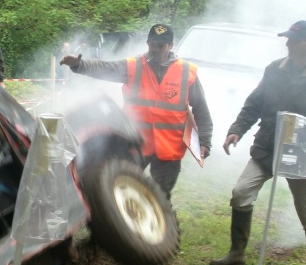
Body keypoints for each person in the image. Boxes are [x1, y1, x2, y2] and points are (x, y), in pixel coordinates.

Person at [209, 20, 306, 265]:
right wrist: (237, 129)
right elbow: (254, 104)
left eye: (294, 39)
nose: (288, 43)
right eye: (287, 38)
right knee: (241, 192)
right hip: (267, 147)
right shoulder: (274, 70)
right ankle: (236, 256)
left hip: (301, 155)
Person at [59, 23, 213, 201]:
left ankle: (157, 224)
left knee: (160, 196)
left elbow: (201, 108)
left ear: (171, 45)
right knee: (122, 189)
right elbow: (105, 68)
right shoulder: (133, 66)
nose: (155, 49)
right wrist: (80, 65)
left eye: (160, 45)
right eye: (152, 44)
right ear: (147, 43)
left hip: (169, 147)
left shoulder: (187, 72)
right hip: (134, 143)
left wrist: (206, 140)